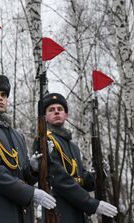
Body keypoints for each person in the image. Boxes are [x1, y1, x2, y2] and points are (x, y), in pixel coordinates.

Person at [0, 75, 56, 222]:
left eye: (3, 95)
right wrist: (30, 193)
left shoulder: (17, 135)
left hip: (23, 212)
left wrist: (32, 169)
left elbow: (22, 176)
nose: (0, 98)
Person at [38, 93, 118, 222]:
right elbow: (59, 179)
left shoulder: (72, 146)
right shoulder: (45, 140)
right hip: (59, 210)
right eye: (51, 110)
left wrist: (97, 174)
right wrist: (91, 203)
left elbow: (79, 179)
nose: (56, 112)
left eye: (60, 109)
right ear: (45, 117)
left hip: (78, 210)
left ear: (66, 114)